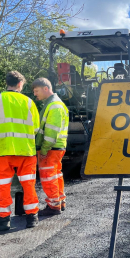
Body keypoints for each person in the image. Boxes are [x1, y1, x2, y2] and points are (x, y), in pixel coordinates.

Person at [0, 71, 40, 231]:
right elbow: (36, 128)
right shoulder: (29, 102)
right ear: (20, 84)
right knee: (28, 184)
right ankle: (32, 218)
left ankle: (4, 220)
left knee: (2, 186)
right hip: (26, 151)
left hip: (3, 150)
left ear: (7, 83)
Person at [32, 78, 69, 216]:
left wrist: (44, 149)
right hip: (56, 147)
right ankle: (60, 202)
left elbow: (51, 130)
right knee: (56, 175)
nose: (35, 94)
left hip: (51, 148)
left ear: (45, 88)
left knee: (48, 176)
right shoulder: (54, 104)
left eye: (36, 91)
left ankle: (53, 206)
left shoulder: (54, 105)